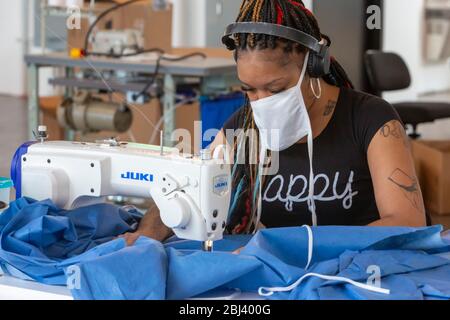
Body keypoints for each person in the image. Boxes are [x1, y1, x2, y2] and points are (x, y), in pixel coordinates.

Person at [121, 0, 426, 246]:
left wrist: (296, 247)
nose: (260, 102)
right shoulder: (239, 132)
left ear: (313, 65)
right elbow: (182, 195)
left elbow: (407, 223)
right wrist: (149, 233)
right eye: (248, 90)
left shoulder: (372, 121)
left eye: (276, 89)